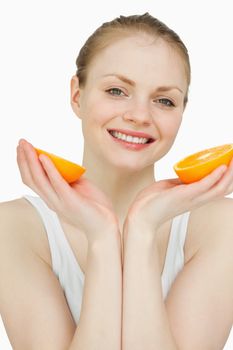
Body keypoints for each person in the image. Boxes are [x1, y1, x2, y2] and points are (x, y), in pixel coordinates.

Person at [0, 12, 233, 350]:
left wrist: (142, 229)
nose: (139, 115)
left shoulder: (221, 226)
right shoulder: (13, 228)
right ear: (77, 96)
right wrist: (102, 239)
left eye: (164, 100)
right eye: (116, 90)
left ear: (182, 111)